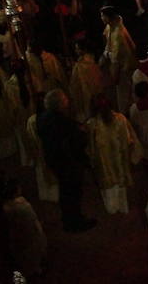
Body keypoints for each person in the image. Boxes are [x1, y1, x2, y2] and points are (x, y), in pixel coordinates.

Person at [37, 89, 96, 231]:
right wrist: (82, 133)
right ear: (61, 105)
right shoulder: (64, 124)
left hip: (54, 161)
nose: (68, 102)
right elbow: (77, 143)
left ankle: (68, 217)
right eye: (65, 100)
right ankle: (74, 222)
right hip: (69, 164)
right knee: (73, 192)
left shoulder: (42, 117)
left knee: (65, 191)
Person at [86, 92, 142, 214]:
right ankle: (122, 207)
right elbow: (130, 140)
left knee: (109, 190)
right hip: (120, 162)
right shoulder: (120, 119)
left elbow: (90, 148)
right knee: (121, 187)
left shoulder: (92, 124)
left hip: (105, 166)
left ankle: (112, 208)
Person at [2, 179, 47, 277]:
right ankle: (34, 269)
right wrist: (41, 232)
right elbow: (33, 221)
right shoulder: (24, 207)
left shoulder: (5, 207)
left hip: (16, 234)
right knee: (32, 252)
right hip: (29, 234)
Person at [100, 6, 137, 114]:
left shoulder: (117, 32)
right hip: (117, 67)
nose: (101, 18)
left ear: (108, 17)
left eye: (102, 16)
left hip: (123, 68)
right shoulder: (110, 27)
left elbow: (115, 56)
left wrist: (107, 54)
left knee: (125, 94)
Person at [68, 40, 104, 123]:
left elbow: (74, 83)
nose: (76, 51)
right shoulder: (92, 61)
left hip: (86, 92)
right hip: (94, 90)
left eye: (77, 49)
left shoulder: (80, 65)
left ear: (83, 50)